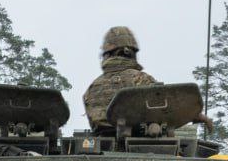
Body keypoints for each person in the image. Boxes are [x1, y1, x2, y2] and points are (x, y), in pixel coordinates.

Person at [82, 26, 213, 134]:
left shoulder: (91, 89)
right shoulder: (141, 79)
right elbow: (163, 109)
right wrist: (194, 114)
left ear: (107, 54)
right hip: (139, 150)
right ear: (130, 52)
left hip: (101, 155)